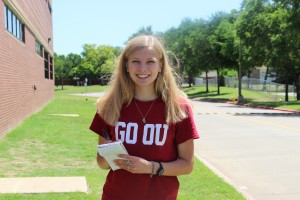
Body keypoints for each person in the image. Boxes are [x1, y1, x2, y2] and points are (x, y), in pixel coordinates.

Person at [89, 35, 199, 200]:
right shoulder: (109, 106)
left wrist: (149, 167)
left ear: (160, 65)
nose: (142, 68)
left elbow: (187, 165)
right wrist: (110, 155)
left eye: (150, 62)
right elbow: (101, 164)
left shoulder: (178, 108)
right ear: (126, 65)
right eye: (135, 61)